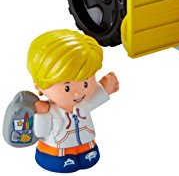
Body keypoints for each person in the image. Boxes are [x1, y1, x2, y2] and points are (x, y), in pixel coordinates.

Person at [27, 30, 119, 173]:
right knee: (61, 160)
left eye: (85, 83)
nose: (78, 93)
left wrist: (105, 88)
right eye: (67, 87)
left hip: (86, 142)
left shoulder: (83, 104)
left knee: (88, 155)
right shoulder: (50, 110)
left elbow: (94, 99)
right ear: (39, 85)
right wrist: (42, 114)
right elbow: (41, 132)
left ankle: (85, 154)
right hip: (57, 149)